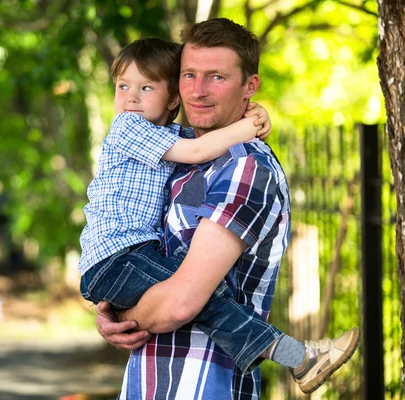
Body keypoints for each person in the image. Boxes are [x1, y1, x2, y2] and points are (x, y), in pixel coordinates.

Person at [93, 19, 359, 399]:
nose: (198, 92)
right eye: (189, 75)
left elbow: (181, 303)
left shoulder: (244, 168)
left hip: (207, 385)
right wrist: (115, 311)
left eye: (216, 77)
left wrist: (124, 313)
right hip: (149, 382)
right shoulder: (179, 156)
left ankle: (297, 356)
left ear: (250, 85)